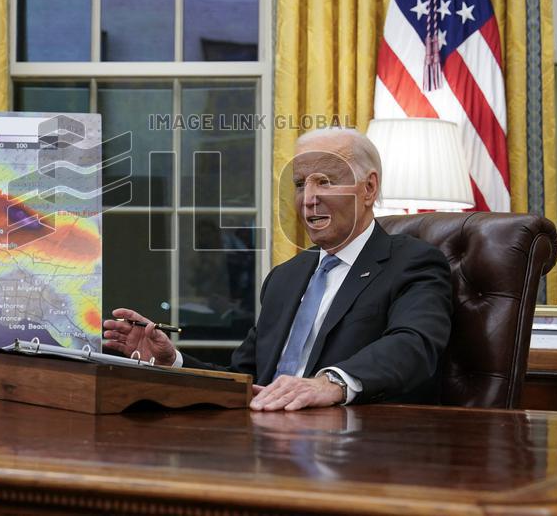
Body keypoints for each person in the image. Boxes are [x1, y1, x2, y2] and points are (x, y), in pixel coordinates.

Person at [103, 128, 452, 411]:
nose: (308, 199)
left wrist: (330, 383)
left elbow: (413, 345)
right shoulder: (285, 277)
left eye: (324, 182)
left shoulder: (412, 263)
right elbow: (245, 379)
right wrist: (172, 362)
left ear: (369, 188)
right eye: (300, 184)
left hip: (354, 444)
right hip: (263, 436)